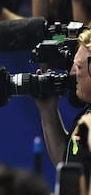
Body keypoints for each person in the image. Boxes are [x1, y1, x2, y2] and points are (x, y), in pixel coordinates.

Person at [35, 28, 91, 169]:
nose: (72, 72)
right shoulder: (86, 113)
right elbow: (67, 163)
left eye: (78, 66)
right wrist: (48, 111)